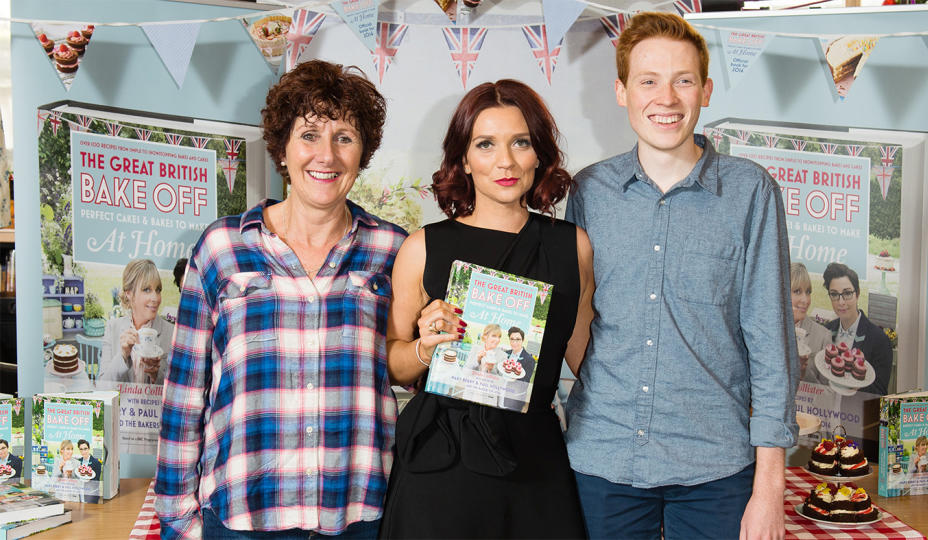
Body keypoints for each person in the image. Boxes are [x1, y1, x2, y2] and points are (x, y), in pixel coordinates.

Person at [564, 12, 797, 539]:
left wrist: (770, 491)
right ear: (621, 91)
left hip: (717, 467)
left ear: (706, 90)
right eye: (648, 80)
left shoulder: (751, 194)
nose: (665, 98)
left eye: (683, 80)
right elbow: (576, 319)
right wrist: (609, 383)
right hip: (603, 459)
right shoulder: (589, 193)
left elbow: (771, 344)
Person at [155, 60, 407, 539]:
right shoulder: (221, 249)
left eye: (345, 138)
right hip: (243, 515)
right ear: (283, 147)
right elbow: (185, 396)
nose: (326, 155)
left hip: (357, 517)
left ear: (363, 152)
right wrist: (178, 520)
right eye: (309, 135)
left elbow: (415, 373)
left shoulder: (395, 251)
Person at [379, 79, 595, 538]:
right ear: (463, 159)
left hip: (535, 458)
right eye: (485, 144)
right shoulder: (423, 247)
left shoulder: (571, 246)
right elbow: (395, 367)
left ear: (539, 153)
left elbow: (588, 356)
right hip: (442, 461)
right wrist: (424, 346)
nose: (506, 161)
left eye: (521, 142)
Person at [99, 259, 175, 384]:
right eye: (147, 290)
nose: (155, 298)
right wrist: (123, 355)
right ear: (129, 293)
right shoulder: (113, 328)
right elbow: (102, 387)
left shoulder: (171, 332)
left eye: (158, 290)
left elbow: (176, 391)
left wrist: (157, 375)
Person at [822, 262, 893, 396]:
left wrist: (856, 386)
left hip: (857, 414)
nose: (841, 302)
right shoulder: (826, 331)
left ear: (858, 293)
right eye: (834, 294)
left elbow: (880, 392)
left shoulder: (879, 340)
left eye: (847, 293)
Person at [791, 262, 832, 382]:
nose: (805, 300)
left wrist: (803, 371)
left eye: (808, 292)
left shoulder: (823, 337)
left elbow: (827, 393)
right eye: (797, 291)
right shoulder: (764, 332)